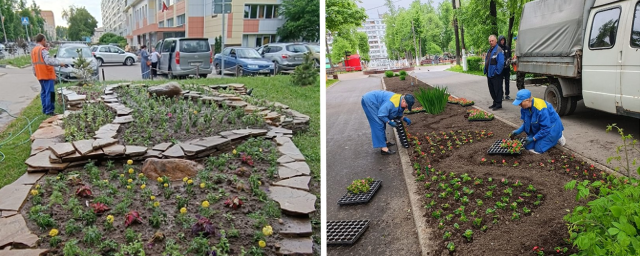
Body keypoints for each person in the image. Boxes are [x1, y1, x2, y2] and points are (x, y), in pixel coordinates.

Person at [510, 89, 566, 154]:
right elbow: (526, 122)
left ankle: (559, 136)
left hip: (551, 127)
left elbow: (546, 128)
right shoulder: (524, 108)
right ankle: (543, 138)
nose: (519, 105)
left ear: (527, 100)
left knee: (538, 149)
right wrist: (518, 131)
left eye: (520, 102)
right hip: (539, 127)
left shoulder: (541, 108)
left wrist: (533, 138)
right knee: (527, 146)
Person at [361, 90, 415, 155]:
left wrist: (403, 118)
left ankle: (385, 142)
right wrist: (389, 122)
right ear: (403, 101)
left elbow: (396, 112)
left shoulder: (399, 100)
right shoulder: (391, 103)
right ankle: (384, 149)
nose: (406, 108)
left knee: (382, 122)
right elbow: (381, 115)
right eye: (406, 106)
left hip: (375, 101)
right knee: (378, 124)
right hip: (369, 101)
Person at [30, 34, 68, 116]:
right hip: (47, 75)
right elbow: (48, 61)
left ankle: (45, 110)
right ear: (43, 40)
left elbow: (33, 64)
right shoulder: (42, 49)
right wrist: (59, 63)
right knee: (50, 93)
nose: (46, 42)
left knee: (44, 92)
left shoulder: (34, 50)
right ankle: (50, 111)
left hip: (40, 75)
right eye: (45, 40)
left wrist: (36, 74)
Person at [484, 35, 505, 110]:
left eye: (492, 40)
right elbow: (487, 60)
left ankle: (498, 104)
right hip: (489, 74)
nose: (491, 42)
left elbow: (501, 63)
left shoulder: (499, 50)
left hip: (496, 75)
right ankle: (495, 102)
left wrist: (497, 72)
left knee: (498, 89)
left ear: (496, 40)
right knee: (492, 89)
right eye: (490, 41)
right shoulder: (490, 50)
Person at [498, 35, 512, 100]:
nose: (502, 42)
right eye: (501, 40)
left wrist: (508, 60)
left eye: (503, 40)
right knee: (500, 82)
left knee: (507, 81)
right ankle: (501, 95)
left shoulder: (507, 47)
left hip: (507, 68)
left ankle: (507, 94)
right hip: (501, 68)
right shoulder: (498, 48)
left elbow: (510, 55)